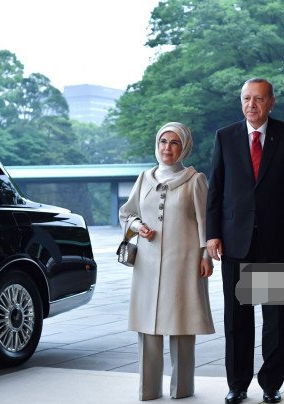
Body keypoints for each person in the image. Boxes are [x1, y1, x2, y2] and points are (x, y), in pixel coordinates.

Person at [206, 78, 284, 404]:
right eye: (247, 98)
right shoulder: (226, 137)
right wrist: (213, 234)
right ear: (241, 102)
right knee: (237, 319)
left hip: (276, 244)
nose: (252, 104)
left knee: (275, 319)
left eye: (259, 99)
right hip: (235, 242)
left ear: (271, 102)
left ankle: (272, 384)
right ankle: (237, 384)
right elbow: (216, 190)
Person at [119, 122, 215, 401]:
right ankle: (148, 390)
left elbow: (204, 223)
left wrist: (206, 255)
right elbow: (127, 213)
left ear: (183, 146)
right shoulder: (144, 178)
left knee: (182, 326)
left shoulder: (195, 180)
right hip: (147, 265)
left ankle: (182, 389)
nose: (167, 148)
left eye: (174, 143)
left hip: (184, 264)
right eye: (163, 141)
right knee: (148, 327)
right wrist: (138, 227)